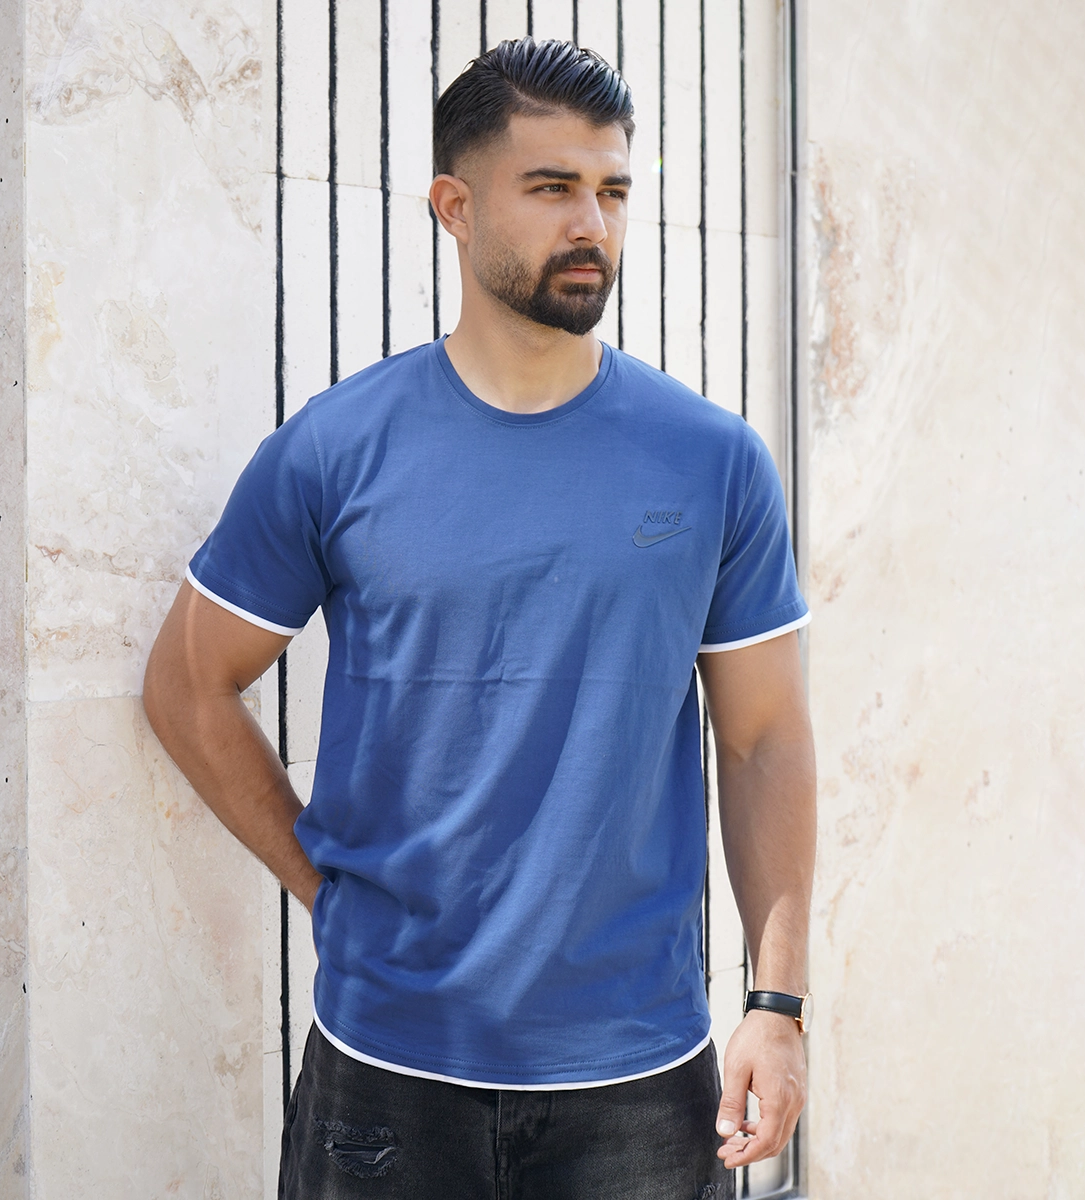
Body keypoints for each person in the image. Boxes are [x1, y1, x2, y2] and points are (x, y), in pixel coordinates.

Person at [144, 37, 816, 1200]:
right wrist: (326, 892)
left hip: (639, 1077)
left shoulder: (713, 462)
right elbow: (187, 685)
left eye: (612, 191)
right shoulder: (335, 450)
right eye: (551, 188)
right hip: (386, 1072)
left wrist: (778, 1001)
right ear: (455, 207)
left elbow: (764, 738)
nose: (591, 224)